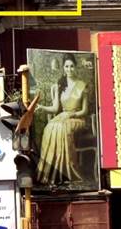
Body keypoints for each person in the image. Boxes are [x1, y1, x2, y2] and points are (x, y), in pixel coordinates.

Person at [36, 54, 92, 187]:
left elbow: (85, 111)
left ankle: (67, 172)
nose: (69, 69)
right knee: (50, 127)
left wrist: (71, 115)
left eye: (72, 66)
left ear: (75, 67)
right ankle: (52, 173)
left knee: (62, 128)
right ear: (63, 68)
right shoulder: (60, 85)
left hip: (77, 118)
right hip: (62, 117)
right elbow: (55, 108)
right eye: (66, 66)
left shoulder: (81, 86)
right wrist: (42, 107)